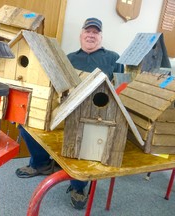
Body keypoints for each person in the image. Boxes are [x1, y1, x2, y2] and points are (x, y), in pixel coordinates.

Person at [16, 17, 124, 209]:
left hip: (95, 114)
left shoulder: (113, 58)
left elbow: (122, 86)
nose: (91, 35)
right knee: (27, 125)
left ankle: (78, 185)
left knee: (85, 136)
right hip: (65, 108)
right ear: (81, 35)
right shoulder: (68, 57)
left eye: (95, 32)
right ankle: (41, 163)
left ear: (101, 36)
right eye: (88, 31)